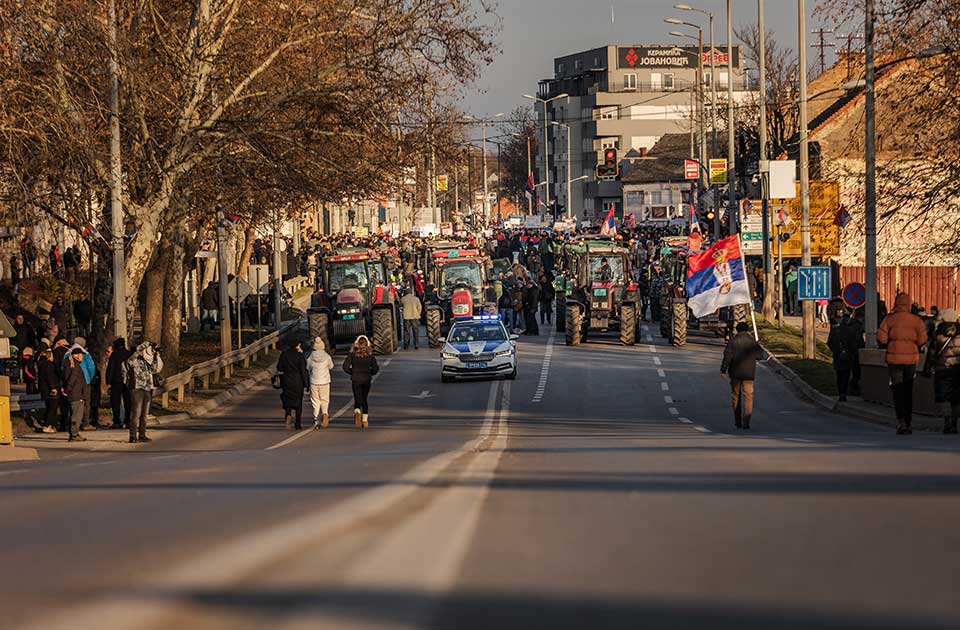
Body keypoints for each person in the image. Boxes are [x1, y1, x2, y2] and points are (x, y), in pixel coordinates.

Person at [877, 293, 929, 435]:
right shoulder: (916, 321)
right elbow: (922, 339)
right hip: (911, 359)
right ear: (908, 304)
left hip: (894, 359)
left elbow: (881, 338)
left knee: (897, 391)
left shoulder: (889, 319)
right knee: (908, 390)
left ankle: (901, 422)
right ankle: (908, 421)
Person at [720, 322, 767, 430]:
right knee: (749, 397)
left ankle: (737, 422)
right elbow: (760, 356)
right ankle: (746, 421)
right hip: (749, 374)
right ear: (747, 329)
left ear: (737, 330)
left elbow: (727, 357)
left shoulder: (732, 341)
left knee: (736, 397)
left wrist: (723, 370)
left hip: (735, 374)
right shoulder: (752, 342)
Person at [924, 308, 960, 434]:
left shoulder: (938, 334)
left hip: (942, 370)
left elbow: (932, 354)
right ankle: (955, 424)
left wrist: (927, 369)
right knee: (956, 398)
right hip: (957, 370)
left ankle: (947, 423)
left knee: (945, 398)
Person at [122, 341, 163, 443]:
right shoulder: (135, 359)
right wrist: (144, 346)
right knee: (137, 412)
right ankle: (132, 435)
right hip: (136, 388)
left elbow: (154, 370)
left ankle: (142, 434)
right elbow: (129, 362)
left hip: (147, 388)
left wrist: (155, 356)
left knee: (145, 414)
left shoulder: (147, 362)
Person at [342, 335, 379, 429]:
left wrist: (352, 372)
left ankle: (357, 411)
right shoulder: (370, 355)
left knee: (357, 398)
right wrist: (370, 373)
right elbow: (375, 368)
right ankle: (365, 420)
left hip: (356, 379)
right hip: (366, 379)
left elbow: (345, 366)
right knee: (364, 399)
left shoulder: (352, 355)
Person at [276, 340, 308, 431]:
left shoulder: (284, 355)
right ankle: (298, 424)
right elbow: (303, 370)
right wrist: (306, 383)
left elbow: (279, 367)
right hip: (298, 381)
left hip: (287, 380)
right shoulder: (300, 356)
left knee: (287, 399)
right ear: (297, 345)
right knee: (298, 402)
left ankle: (288, 414)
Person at [828, 314, 859, 402]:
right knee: (846, 375)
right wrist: (852, 353)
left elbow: (830, 343)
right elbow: (853, 345)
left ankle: (840, 392)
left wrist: (835, 351)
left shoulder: (834, 330)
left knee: (839, 375)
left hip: (837, 356)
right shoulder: (850, 331)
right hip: (848, 357)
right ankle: (844, 393)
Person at [307, 337, 334, 430]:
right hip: (325, 381)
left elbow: (308, 367)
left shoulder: (311, 356)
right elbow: (331, 366)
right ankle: (325, 413)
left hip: (314, 382)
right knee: (324, 399)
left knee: (315, 401)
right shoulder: (326, 356)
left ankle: (316, 420)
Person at [105, 337, 132, 429]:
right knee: (128, 401)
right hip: (128, 381)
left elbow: (110, 368)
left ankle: (117, 421)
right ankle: (128, 420)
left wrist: (108, 381)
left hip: (116, 381)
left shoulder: (114, 355)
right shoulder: (129, 354)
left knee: (115, 401)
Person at [63, 347, 88, 442]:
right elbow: (72, 379)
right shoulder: (75, 366)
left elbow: (65, 377)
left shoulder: (67, 363)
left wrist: (65, 389)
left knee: (73, 414)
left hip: (73, 393)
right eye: (81, 355)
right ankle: (74, 434)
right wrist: (67, 389)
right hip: (76, 393)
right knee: (76, 415)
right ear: (76, 355)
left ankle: (74, 433)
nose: (82, 357)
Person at [36, 348, 60, 434]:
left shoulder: (41, 364)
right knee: (52, 408)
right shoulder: (48, 365)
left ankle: (48, 423)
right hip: (50, 389)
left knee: (48, 407)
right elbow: (50, 377)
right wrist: (53, 387)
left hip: (44, 389)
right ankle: (48, 425)